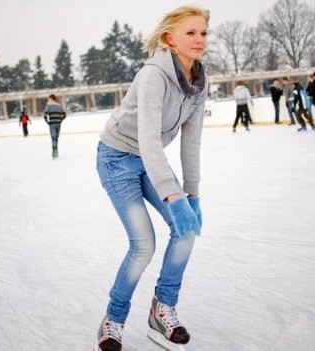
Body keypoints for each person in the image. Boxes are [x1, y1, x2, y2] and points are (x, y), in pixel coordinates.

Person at [94, 5, 208, 351]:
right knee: (144, 244)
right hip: (117, 158)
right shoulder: (153, 75)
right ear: (170, 39)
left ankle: (162, 309)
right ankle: (113, 319)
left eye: (203, 33)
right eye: (190, 33)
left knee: (186, 231)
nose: (199, 39)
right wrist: (174, 198)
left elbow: (191, 141)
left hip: (150, 159)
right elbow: (147, 138)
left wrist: (193, 193)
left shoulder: (199, 79)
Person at [43, 94, 66, 159]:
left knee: (53, 138)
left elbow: (45, 115)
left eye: (49, 98)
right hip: (58, 123)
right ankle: (56, 150)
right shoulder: (59, 105)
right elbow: (64, 114)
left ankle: (54, 150)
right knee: (56, 137)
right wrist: (60, 120)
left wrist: (47, 122)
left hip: (52, 123)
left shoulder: (48, 105)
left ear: (51, 98)